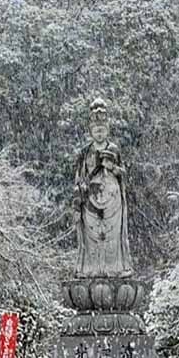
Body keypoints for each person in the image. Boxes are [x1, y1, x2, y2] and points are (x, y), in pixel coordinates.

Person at [72, 98, 134, 277]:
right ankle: (91, 269)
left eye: (102, 130)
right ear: (91, 131)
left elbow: (124, 174)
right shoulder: (85, 151)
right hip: (91, 200)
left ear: (107, 130)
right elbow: (79, 177)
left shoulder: (113, 149)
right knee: (92, 238)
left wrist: (112, 167)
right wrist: (80, 191)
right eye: (96, 130)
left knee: (112, 238)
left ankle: (114, 268)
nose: (99, 133)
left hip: (112, 200)